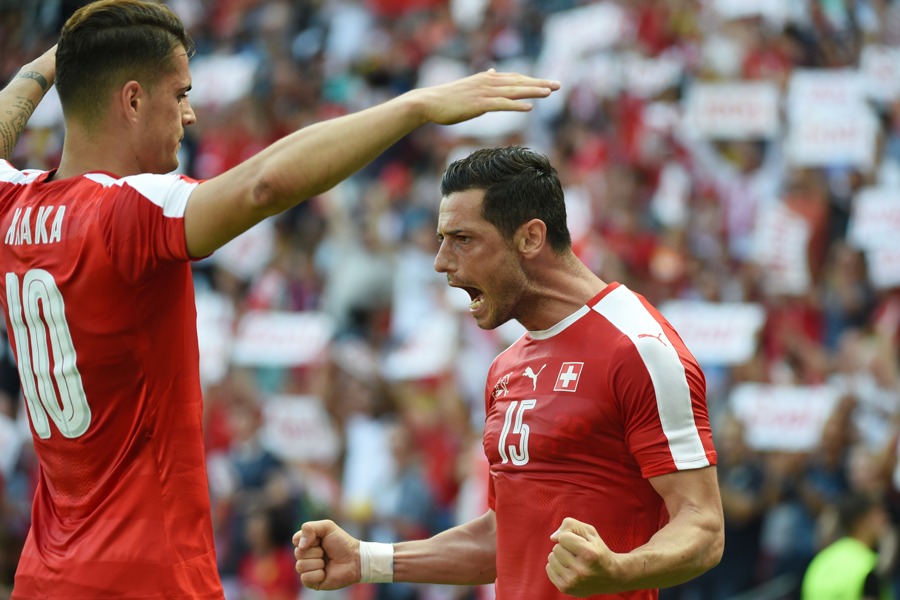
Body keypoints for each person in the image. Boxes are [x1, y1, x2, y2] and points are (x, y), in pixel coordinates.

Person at [0, 1, 560, 597]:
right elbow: (266, 183)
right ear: (133, 101)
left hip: (46, 574)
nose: (189, 115)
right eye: (180, 93)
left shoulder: (14, 204)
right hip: (147, 574)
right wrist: (413, 106)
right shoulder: (126, 212)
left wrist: (59, 55)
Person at [293, 146, 725, 599]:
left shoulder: (639, 349)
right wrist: (365, 559)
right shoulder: (506, 366)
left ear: (531, 238)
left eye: (463, 239)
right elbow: (505, 537)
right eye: (442, 239)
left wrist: (621, 570)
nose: (441, 261)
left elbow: (703, 528)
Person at [801, 491, 893, 600]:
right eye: (878, 514)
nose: (885, 518)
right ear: (862, 522)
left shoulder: (820, 562)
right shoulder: (867, 567)